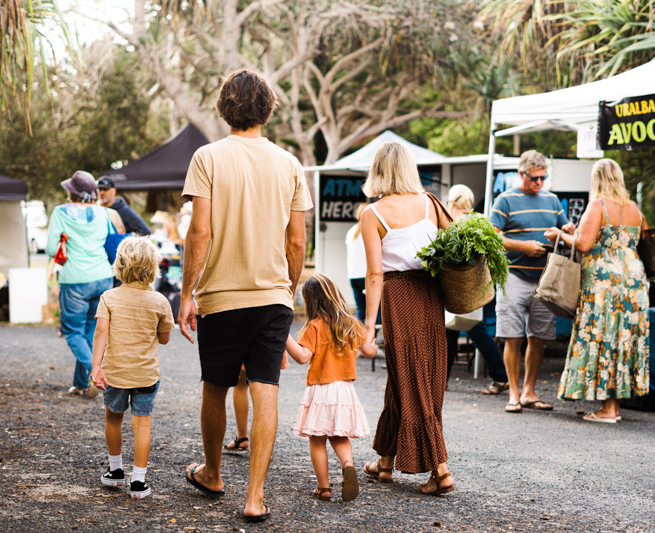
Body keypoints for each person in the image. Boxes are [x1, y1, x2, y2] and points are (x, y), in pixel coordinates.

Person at [178, 69, 312, 522]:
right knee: (266, 390)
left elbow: (200, 232)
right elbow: (297, 241)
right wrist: (288, 288)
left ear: (224, 107)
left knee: (215, 387)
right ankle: (255, 498)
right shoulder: (289, 163)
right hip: (273, 296)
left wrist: (186, 294)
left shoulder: (208, 158)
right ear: (267, 108)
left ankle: (213, 473)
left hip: (220, 296)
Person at [359, 141, 454, 495]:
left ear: (378, 170)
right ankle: (384, 462)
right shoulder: (430, 203)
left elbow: (374, 276)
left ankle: (441, 471)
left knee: (413, 380)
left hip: (399, 297)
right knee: (411, 375)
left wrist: (369, 326)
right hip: (431, 295)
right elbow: (456, 242)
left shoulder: (374, 214)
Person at [546, 159, 649, 423]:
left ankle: (606, 409)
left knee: (603, 337)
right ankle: (613, 406)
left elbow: (583, 244)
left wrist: (560, 234)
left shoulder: (598, 205)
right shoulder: (635, 208)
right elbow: (644, 240)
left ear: (598, 179)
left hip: (604, 284)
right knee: (622, 340)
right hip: (634, 281)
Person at [490, 150, 575, 413]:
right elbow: (492, 236)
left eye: (543, 177)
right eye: (534, 178)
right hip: (513, 276)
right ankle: (513, 394)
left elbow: (565, 227)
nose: (539, 182)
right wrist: (522, 246)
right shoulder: (505, 200)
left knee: (538, 338)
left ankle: (529, 391)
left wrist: (565, 231)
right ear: (521, 174)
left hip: (545, 280)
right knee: (512, 338)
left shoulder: (552, 199)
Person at [90, 236, 175, 498]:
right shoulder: (160, 301)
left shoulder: (109, 298)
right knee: (143, 425)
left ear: (119, 266)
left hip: (115, 373)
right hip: (145, 374)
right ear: (154, 268)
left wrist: (96, 367)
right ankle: (138, 482)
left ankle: (116, 472)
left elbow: (100, 332)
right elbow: (164, 338)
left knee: (113, 418)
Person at [285, 274, 369, 502]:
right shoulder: (352, 325)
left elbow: (303, 357)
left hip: (322, 389)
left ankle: (324, 488)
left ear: (312, 302)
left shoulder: (315, 326)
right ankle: (348, 464)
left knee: (317, 438)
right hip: (345, 391)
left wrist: (284, 335)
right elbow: (369, 350)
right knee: (339, 435)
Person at [47, 171, 114, 398]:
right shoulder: (103, 212)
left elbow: (49, 249)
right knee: (89, 332)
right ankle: (81, 384)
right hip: (103, 277)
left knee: (73, 332)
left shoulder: (61, 212)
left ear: (72, 192)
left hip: (75, 280)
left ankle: (97, 373)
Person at [443, 185, 509, 395]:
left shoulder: (456, 224)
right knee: (456, 332)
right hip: (474, 287)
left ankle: (500, 376)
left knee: (467, 331)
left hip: (459, 287)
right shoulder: (475, 223)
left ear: (451, 203)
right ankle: (499, 376)